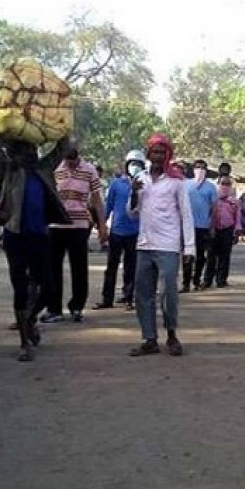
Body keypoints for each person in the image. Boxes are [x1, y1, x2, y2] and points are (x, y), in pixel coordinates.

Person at [0, 100, 72, 361]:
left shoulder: (43, 170)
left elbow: (63, 148)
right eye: (24, 149)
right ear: (14, 151)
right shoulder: (7, 171)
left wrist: (65, 120)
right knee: (19, 288)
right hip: (15, 236)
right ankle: (24, 342)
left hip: (40, 236)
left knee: (48, 288)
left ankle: (29, 319)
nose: (30, 153)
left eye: (32, 149)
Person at [127, 133, 195, 356]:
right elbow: (132, 214)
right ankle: (149, 338)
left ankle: (172, 334)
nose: (157, 156)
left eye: (161, 152)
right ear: (148, 154)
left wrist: (189, 248)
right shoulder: (141, 180)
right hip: (145, 244)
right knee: (143, 293)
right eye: (154, 152)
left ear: (167, 155)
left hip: (168, 245)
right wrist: (134, 194)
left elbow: (186, 215)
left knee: (168, 292)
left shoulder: (176, 181)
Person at [41, 147, 108, 323]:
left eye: (73, 161)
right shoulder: (56, 168)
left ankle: (76, 307)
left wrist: (102, 226)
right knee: (53, 269)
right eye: (67, 161)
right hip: (55, 225)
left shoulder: (89, 170)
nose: (70, 164)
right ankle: (54, 309)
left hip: (79, 226)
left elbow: (96, 199)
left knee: (79, 268)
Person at [95, 150, 143, 310]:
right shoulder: (116, 184)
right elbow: (108, 205)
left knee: (131, 267)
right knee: (111, 267)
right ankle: (106, 299)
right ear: (126, 165)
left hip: (135, 232)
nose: (134, 167)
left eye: (138, 164)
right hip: (116, 231)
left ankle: (129, 297)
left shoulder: (144, 184)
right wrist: (102, 225)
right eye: (132, 164)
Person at [182, 159, 218, 291]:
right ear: (193, 169)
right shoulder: (186, 185)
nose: (200, 170)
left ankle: (196, 280)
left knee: (201, 255)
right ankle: (185, 283)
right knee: (187, 254)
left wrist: (212, 225)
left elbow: (214, 208)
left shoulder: (211, 187)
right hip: (187, 226)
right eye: (197, 167)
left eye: (203, 168)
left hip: (203, 226)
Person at [212, 175, 243, 287]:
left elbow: (238, 217)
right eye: (222, 183)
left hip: (228, 229)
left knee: (225, 255)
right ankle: (208, 279)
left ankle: (221, 280)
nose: (225, 186)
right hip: (214, 229)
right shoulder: (213, 198)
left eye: (227, 184)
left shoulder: (234, 202)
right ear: (218, 184)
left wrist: (237, 231)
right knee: (212, 255)